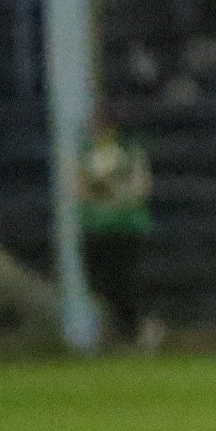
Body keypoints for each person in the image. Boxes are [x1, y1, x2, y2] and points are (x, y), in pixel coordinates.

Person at [78, 110, 156, 349]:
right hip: (95, 229)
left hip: (125, 228)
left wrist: (109, 192)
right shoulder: (87, 154)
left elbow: (140, 187)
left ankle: (138, 332)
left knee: (125, 282)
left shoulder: (128, 154)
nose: (94, 131)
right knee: (99, 285)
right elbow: (78, 187)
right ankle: (121, 332)